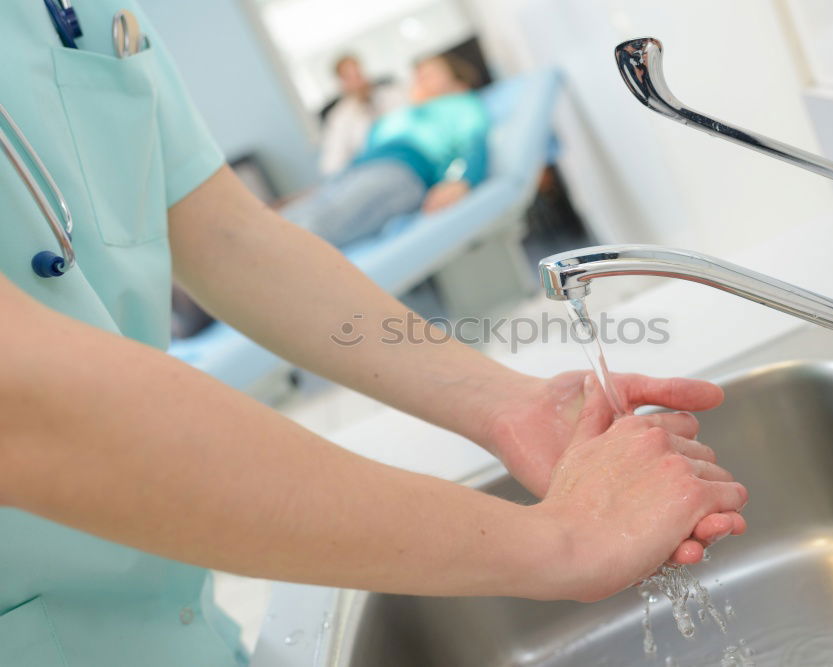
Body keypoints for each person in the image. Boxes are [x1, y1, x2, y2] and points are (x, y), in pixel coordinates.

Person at [0, 3, 747, 665]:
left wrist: (510, 403)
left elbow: (228, 237)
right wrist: (564, 540)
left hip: (173, 621)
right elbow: (23, 398)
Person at [285, 53, 493, 246]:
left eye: (430, 73)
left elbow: (473, 142)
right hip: (356, 171)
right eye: (418, 74)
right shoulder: (400, 114)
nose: (419, 76)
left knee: (314, 226)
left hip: (400, 171)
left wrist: (461, 181)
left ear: (458, 84)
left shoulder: (461, 103)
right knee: (286, 219)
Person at [318, 54, 406, 176]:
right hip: (371, 169)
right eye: (349, 77)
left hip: (404, 155)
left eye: (358, 74)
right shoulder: (339, 118)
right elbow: (331, 165)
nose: (357, 82)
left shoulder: (392, 94)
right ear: (341, 83)